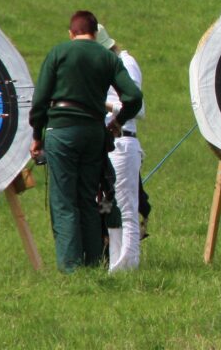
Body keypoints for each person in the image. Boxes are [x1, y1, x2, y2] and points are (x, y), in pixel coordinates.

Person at [29, 11, 143, 273]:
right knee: (89, 198)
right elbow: (134, 97)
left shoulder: (58, 53)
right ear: (95, 33)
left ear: (71, 33)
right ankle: (93, 265)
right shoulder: (108, 57)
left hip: (62, 132)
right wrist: (117, 121)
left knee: (64, 201)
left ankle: (70, 268)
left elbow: (40, 101)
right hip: (94, 133)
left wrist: (37, 136)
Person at [96, 24, 145, 273]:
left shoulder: (126, 63)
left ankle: (130, 263)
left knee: (126, 206)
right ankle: (114, 262)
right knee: (108, 205)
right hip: (105, 143)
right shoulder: (105, 66)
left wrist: (103, 105)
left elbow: (138, 108)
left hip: (123, 142)